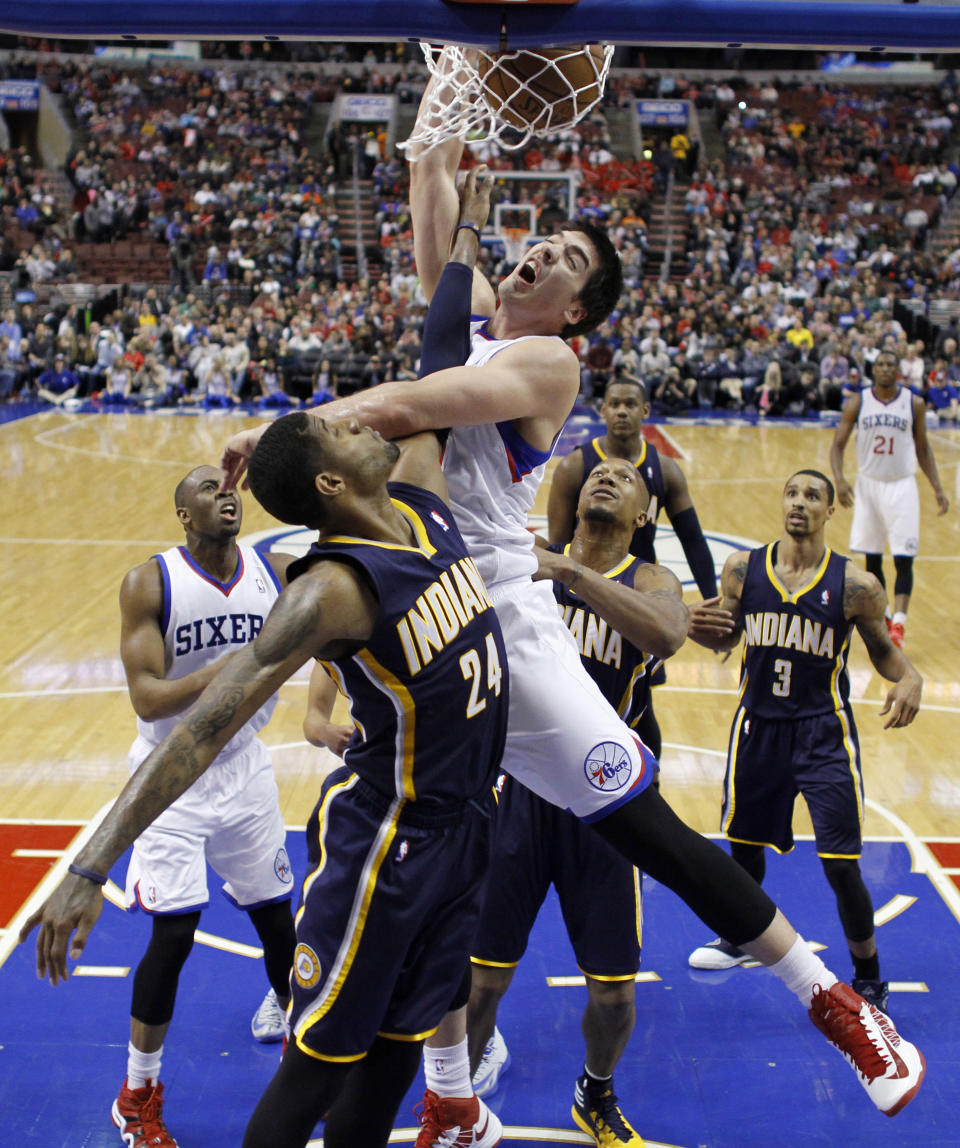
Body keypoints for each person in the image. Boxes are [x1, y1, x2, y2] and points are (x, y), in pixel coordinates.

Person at [218, 82, 926, 1138]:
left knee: (648, 829)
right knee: (434, 852)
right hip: (425, 599)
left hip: (496, 613)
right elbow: (431, 192)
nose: (544, 252)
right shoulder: (463, 331)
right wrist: (447, 86)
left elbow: (410, 402)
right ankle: (451, 1092)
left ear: (578, 312)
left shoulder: (548, 362)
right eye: (542, 240)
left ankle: (837, 1003)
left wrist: (293, 429)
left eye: (570, 262)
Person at [469, 458, 687, 1146]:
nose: (605, 478)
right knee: (480, 983)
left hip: (603, 808)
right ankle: (454, 1098)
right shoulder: (522, 564)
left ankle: (595, 1092)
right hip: (521, 798)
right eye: (598, 473)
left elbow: (666, 635)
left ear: (643, 516)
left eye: (625, 479)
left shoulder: (650, 581)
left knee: (616, 992)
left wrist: (567, 573)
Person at [685, 470, 923, 1016]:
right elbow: (725, 637)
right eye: (791, 493)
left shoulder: (857, 585)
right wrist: (688, 626)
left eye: (811, 496)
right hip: (758, 729)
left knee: (841, 865)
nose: (799, 503)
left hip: (822, 733)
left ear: (828, 510)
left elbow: (883, 650)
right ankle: (741, 940)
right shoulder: (743, 569)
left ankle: (868, 976)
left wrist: (909, 676)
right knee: (743, 848)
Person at [109, 465, 298, 1148]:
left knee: (280, 924)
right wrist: (241, 663)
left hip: (245, 770)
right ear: (182, 514)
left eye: (229, 488)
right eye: (205, 489)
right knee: (174, 936)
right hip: (170, 777)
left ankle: (300, 1069)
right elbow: (149, 699)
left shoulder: (271, 572)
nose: (225, 494)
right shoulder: (149, 581)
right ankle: (137, 1094)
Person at [546, 373, 717, 760]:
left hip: (637, 594)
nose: (621, 412)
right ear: (602, 410)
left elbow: (693, 538)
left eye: (629, 405)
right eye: (614, 404)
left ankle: (643, 785)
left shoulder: (665, 470)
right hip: (577, 590)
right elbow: (559, 543)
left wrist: (713, 599)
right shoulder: (575, 466)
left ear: (645, 412)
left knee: (637, 700)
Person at [829, 347, 950, 649]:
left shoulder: (915, 403)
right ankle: (883, 614)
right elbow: (837, 446)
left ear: (898, 370)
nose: (884, 368)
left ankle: (899, 622)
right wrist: (840, 480)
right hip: (868, 486)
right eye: (880, 364)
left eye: (889, 364)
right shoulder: (858, 402)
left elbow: (923, 448)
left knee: (903, 557)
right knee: (872, 559)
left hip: (902, 486)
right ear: (874, 369)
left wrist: (936, 487)